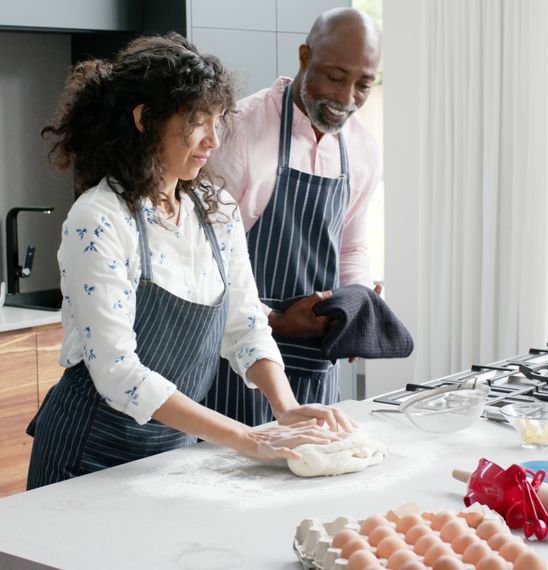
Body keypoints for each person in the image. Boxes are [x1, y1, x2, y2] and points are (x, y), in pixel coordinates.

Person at [26, 33, 355, 488]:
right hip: (86, 459)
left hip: (167, 456)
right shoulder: (99, 219)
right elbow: (119, 373)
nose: (214, 140)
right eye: (199, 122)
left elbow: (245, 324)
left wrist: (284, 407)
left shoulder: (214, 209)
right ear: (145, 119)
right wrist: (247, 438)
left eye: (219, 121)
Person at [203, 8, 384, 426]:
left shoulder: (363, 148)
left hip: (317, 364)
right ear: (305, 57)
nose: (346, 98)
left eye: (363, 85)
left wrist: (355, 307)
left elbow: (351, 246)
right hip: (233, 361)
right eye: (335, 78)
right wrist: (276, 320)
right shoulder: (240, 131)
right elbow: (206, 261)